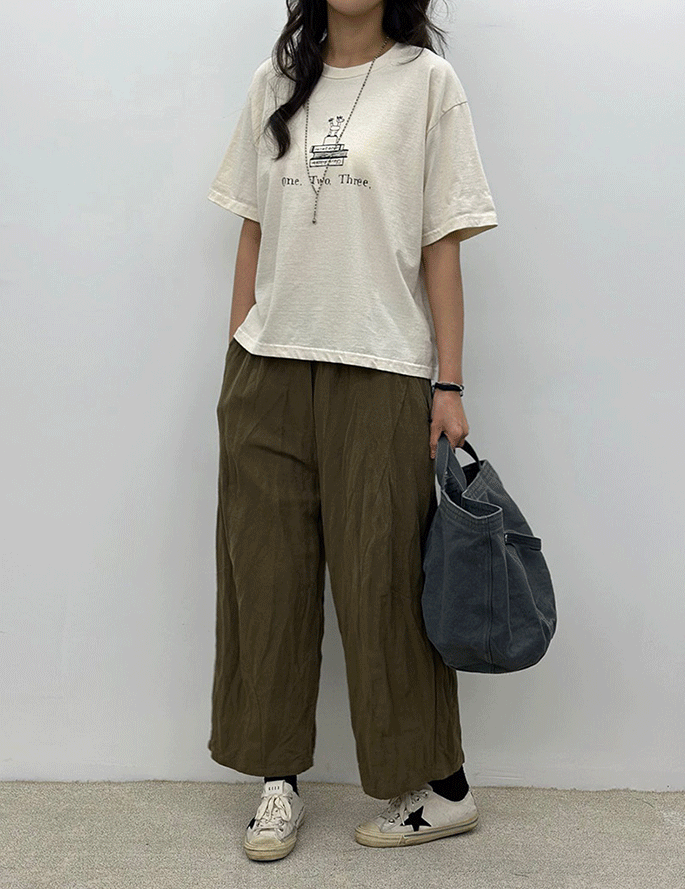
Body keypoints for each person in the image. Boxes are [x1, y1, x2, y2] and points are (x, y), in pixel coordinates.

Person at [206, 0, 498, 862]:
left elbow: (441, 242)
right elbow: (252, 229)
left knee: (384, 584)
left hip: (379, 366)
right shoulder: (274, 82)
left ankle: (442, 789)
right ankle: (276, 781)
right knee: (266, 579)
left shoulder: (426, 83)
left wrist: (448, 381)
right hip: (268, 367)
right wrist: (236, 357)